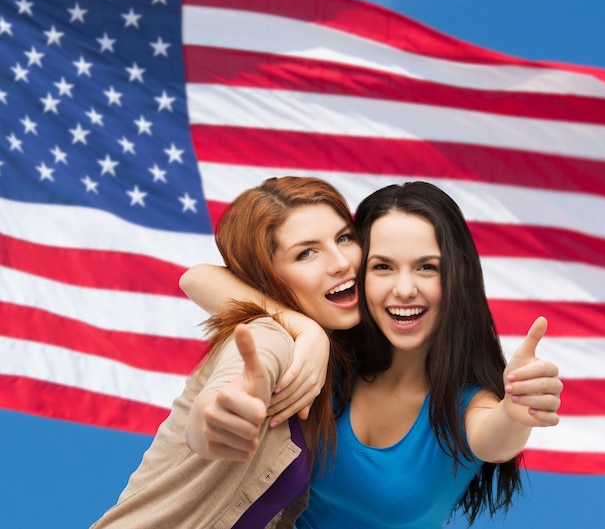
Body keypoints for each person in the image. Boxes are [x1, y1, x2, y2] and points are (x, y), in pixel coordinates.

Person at [182, 180, 563, 528]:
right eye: (382, 267)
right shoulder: (325, 358)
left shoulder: (465, 405)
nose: (404, 289)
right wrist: (308, 330)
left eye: (427, 268)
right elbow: (197, 278)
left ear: (457, 278)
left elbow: (496, 437)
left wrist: (516, 412)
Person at [90, 176, 361, 529]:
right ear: (268, 275)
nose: (340, 262)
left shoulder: (332, 362)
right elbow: (228, 395)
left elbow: (198, 277)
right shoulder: (268, 338)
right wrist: (218, 417)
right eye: (306, 253)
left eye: (344, 238)